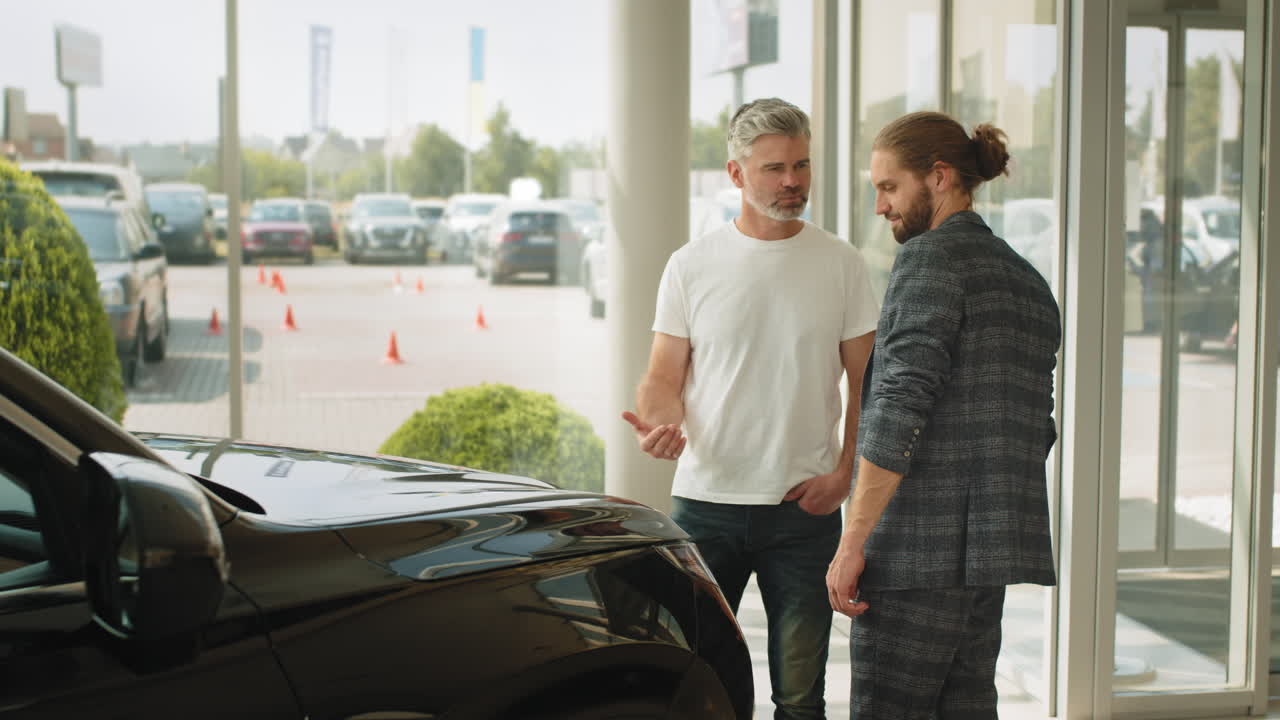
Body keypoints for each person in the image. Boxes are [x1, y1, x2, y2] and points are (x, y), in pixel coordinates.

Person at [623, 97, 879, 719]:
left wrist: (844, 474)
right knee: (695, 686)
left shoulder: (842, 263)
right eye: (774, 168)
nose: (792, 180)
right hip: (706, 505)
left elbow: (867, 385)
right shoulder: (691, 266)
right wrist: (659, 424)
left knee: (800, 698)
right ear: (736, 173)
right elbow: (662, 376)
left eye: (801, 164)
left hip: (803, 512)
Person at [826, 111, 1060, 719]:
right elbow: (1038, 427)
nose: (880, 205)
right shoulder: (1027, 281)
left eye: (888, 186)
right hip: (986, 563)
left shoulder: (930, 260)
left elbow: (899, 405)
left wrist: (853, 541)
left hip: (912, 557)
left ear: (938, 176)